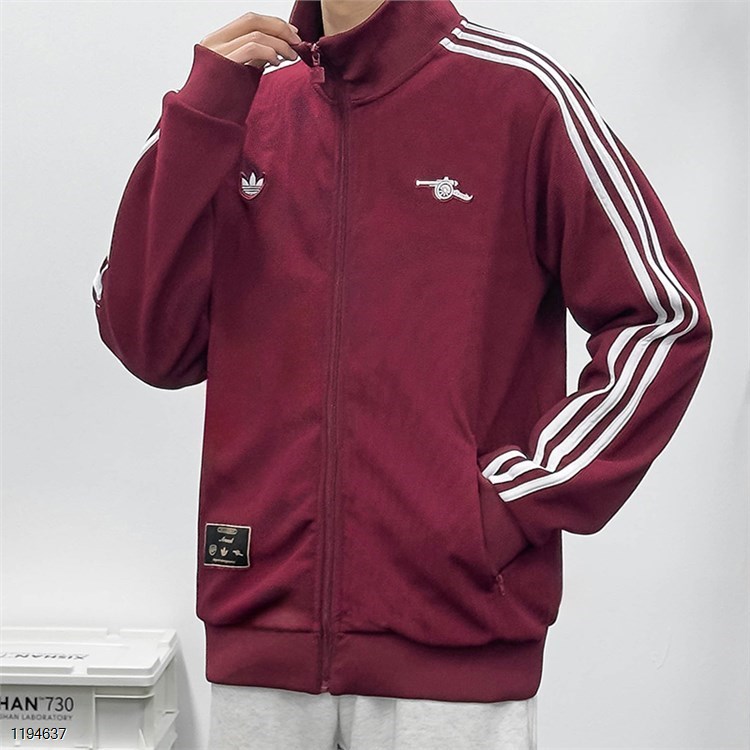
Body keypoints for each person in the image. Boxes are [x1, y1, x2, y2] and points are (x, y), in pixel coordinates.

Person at [91, 1, 713, 748]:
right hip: (262, 633)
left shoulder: (520, 94)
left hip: (454, 642)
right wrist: (199, 116)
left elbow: (664, 319)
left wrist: (505, 506)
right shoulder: (240, 105)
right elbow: (147, 342)